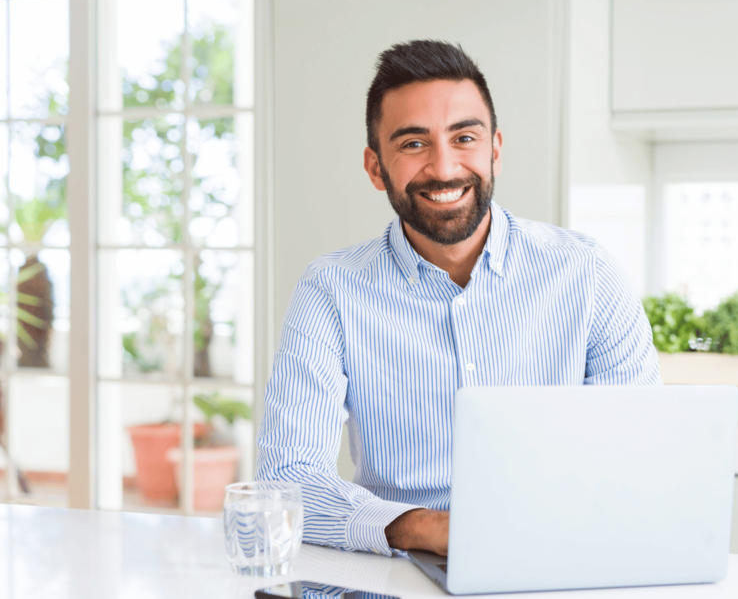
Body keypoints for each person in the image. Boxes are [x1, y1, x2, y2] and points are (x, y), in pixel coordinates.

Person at [256, 39, 661, 558]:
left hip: (554, 566)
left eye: (463, 137)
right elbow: (287, 481)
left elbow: (642, 454)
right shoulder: (330, 290)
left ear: (495, 148)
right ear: (376, 166)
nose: (444, 168)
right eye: (413, 144)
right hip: (398, 575)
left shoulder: (588, 274)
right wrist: (422, 529)